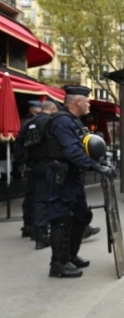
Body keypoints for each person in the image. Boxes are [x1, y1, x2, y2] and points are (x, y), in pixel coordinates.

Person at [46, 86, 116, 278]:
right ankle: (58, 264)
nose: (89, 104)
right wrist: (96, 167)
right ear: (77, 101)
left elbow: (85, 145)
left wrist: (102, 159)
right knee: (61, 219)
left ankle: (70, 256)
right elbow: (72, 151)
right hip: (62, 178)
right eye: (87, 101)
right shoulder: (62, 122)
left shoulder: (74, 122)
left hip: (73, 177)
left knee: (82, 216)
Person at [13, 101, 58, 246]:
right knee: (57, 198)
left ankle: (39, 233)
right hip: (51, 165)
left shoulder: (28, 124)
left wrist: (25, 161)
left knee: (39, 200)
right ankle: (55, 231)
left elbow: (18, 144)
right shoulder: (51, 121)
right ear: (52, 109)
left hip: (35, 166)